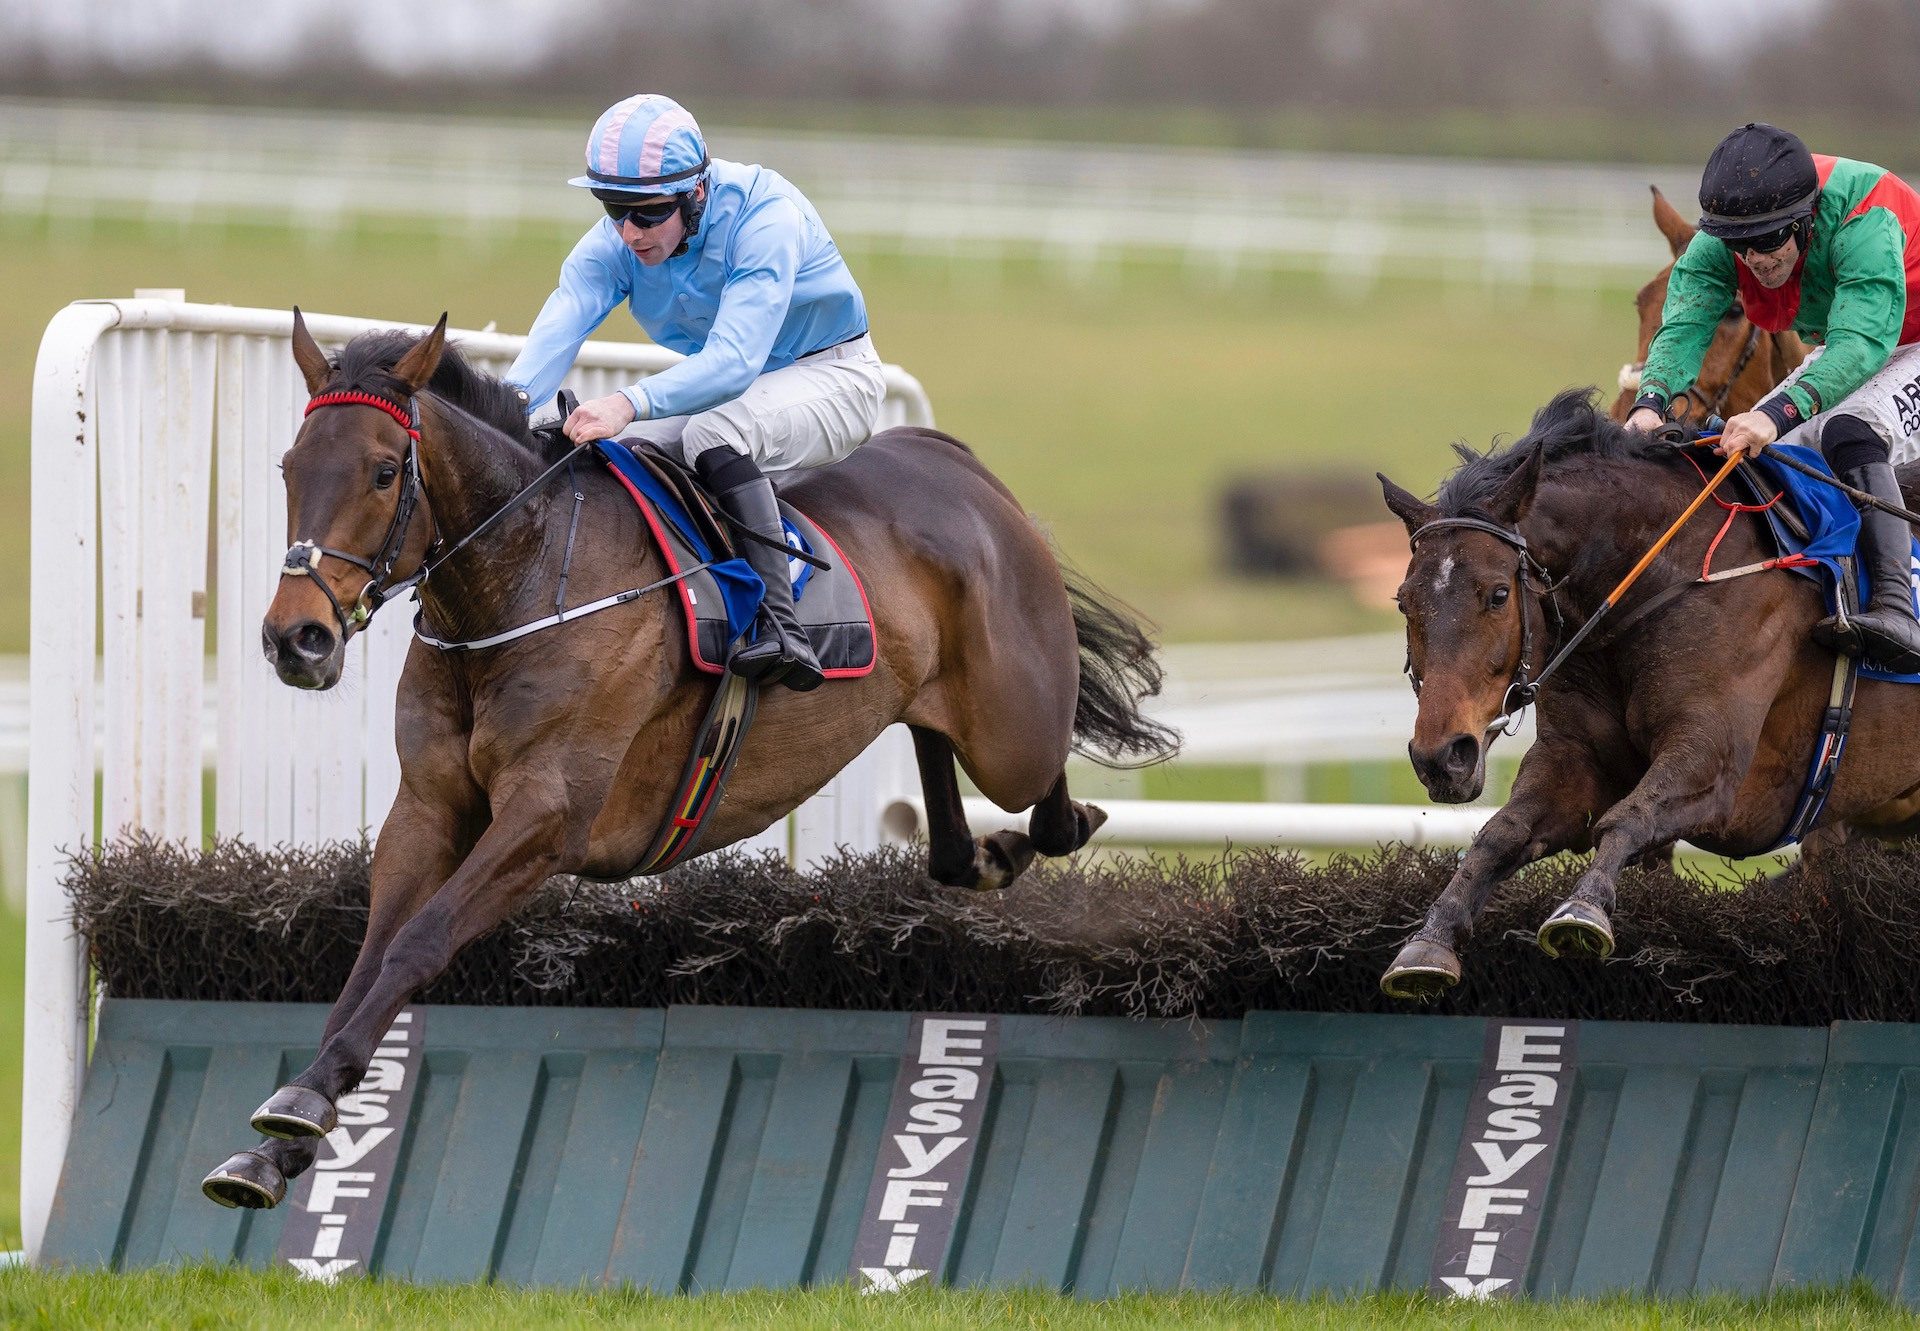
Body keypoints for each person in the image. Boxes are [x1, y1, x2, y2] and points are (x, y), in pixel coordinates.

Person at [507, 93, 885, 691]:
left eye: (649, 214)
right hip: (745, 389)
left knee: (712, 432)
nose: (629, 233)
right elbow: (558, 330)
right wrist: (506, 415)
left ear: (696, 194)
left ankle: (781, 626)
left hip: (836, 376)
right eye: (613, 210)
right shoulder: (617, 242)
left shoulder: (767, 216)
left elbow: (733, 362)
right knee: (621, 451)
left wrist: (625, 402)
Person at [1625, 123, 1920, 673]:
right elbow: (1686, 321)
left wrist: (1776, 412)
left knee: (1849, 431)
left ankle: (1897, 609)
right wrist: (1650, 403)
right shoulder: (1724, 239)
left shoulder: (1864, 220)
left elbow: (1860, 345)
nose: (1754, 260)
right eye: (1740, 245)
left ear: (1806, 219)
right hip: (1859, 338)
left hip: (1895, 337)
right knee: (1746, 447)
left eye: (1768, 241)